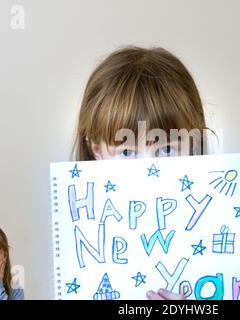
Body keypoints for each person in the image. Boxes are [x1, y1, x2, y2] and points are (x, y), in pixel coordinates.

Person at [72, 45, 213, 299]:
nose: (149, 169)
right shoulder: (79, 253)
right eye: (126, 152)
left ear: (193, 145)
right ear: (97, 151)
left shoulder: (221, 232)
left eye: (167, 149)